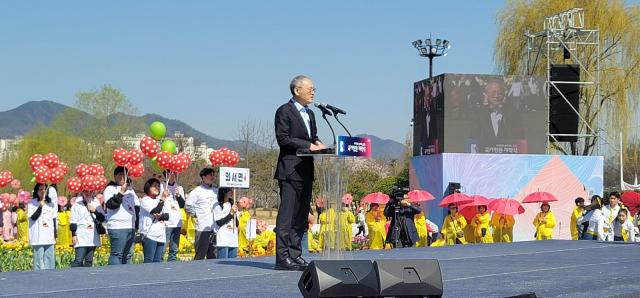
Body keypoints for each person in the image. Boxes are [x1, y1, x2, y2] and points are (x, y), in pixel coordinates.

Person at [273, 75, 326, 271]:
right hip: (289, 170)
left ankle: (295, 254)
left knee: (301, 215)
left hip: (306, 170)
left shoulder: (310, 114)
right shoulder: (284, 111)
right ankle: (282, 257)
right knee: (287, 215)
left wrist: (319, 144)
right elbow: (283, 139)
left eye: (314, 88)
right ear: (297, 90)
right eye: (310, 88)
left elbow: (312, 138)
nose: (313, 91)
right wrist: (308, 146)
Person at [103, 166, 140, 265]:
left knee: (127, 255)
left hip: (130, 227)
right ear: (115, 176)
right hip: (118, 227)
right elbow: (111, 205)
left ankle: (126, 277)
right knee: (117, 254)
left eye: (125, 175)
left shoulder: (130, 190)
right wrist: (121, 192)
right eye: (120, 175)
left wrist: (136, 225)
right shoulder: (110, 189)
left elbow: (136, 207)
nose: (123, 177)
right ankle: (114, 276)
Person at [186, 167, 218, 260]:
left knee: (213, 256)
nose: (212, 177)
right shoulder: (196, 191)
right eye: (210, 175)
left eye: (213, 175)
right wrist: (196, 215)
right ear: (203, 177)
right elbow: (188, 206)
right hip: (202, 228)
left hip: (215, 228)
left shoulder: (216, 191)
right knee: (200, 255)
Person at [69, 189, 105, 267]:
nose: (88, 193)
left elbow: (102, 218)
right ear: (82, 192)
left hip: (93, 236)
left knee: (89, 261)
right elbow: (73, 222)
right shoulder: (77, 204)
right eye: (86, 191)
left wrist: (95, 210)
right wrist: (73, 235)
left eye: (91, 191)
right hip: (81, 236)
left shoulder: (96, 203)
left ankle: (86, 278)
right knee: (78, 260)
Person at [28, 183, 58, 270]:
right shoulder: (32, 203)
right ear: (37, 191)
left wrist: (55, 235)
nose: (43, 191)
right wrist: (40, 207)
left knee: (49, 258)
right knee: (38, 259)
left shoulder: (51, 204)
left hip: (49, 235)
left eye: (44, 189)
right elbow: (33, 217)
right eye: (40, 190)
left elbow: (53, 219)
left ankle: (50, 275)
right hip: (38, 237)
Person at [139, 178, 169, 263]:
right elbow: (155, 211)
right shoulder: (145, 200)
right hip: (150, 235)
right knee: (149, 261)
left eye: (158, 186)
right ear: (148, 187)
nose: (157, 188)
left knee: (157, 261)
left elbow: (167, 216)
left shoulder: (159, 200)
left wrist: (160, 215)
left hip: (161, 235)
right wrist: (163, 198)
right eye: (154, 186)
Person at [161, 171, 185, 262]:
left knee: (174, 249)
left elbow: (182, 205)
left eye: (175, 174)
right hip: (166, 222)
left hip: (177, 222)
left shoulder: (179, 187)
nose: (173, 175)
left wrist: (178, 195)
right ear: (166, 174)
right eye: (170, 173)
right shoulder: (161, 186)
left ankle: (172, 266)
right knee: (162, 248)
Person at [213, 188, 239, 258]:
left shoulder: (233, 205)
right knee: (223, 263)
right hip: (223, 239)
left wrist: (235, 214)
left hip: (233, 239)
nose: (231, 192)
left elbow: (237, 223)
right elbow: (219, 222)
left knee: (232, 264)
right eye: (229, 190)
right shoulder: (217, 206)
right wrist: (231, 213)